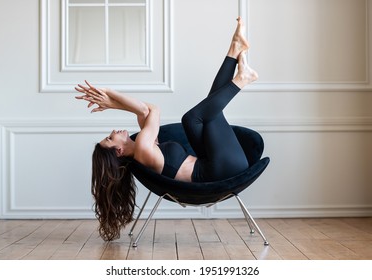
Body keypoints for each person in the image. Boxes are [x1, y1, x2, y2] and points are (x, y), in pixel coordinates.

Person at [75, 17, 258, 241]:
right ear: (119, 151)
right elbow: (153, 109)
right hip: (224, 169)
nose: (113, 131)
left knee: (204, 115)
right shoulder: (143, 148)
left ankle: (235, 49)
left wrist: (114, 103)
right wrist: (111, 94)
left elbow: (143, 111)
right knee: (193, 118)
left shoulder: (144, 144)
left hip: (216, 163)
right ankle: (242, 78)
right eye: (109, 138)